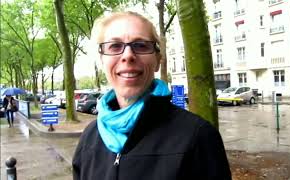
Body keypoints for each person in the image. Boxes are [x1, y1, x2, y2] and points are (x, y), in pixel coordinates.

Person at [72, 11, 231, 180]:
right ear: (102, 60)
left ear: (157, 60)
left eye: (140, 45)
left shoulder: (198, 136)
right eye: (115, 46)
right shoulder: (89, 137)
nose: (127, 55)